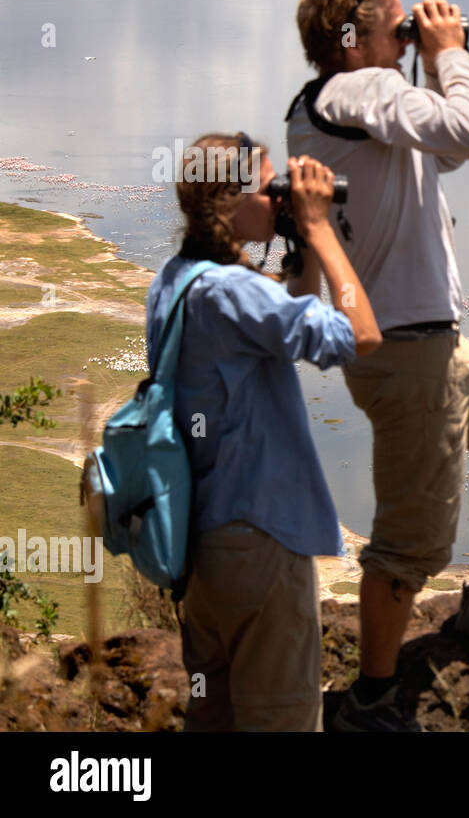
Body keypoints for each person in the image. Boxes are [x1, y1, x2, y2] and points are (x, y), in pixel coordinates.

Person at [287, 0, 469, 732]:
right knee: (411, 541)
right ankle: (373, 699)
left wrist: (426, 60)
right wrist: (449, 53)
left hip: (424, 347)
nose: (408, 32)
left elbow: (441, 150)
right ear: (352, 40)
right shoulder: (359, 92)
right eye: (397, 25)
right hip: (410, 352)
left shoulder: (348, 101)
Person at [146, 135, 381, 730]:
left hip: (203, 548)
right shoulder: (232, 290)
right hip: (262, 543)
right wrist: (322, 230)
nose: (280, 199)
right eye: (269, 188)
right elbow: (358, 335)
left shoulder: (177, 282)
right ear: (227, 200)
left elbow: (277, 332)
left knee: (217, 715)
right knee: (283, 718)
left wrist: (296, 247)